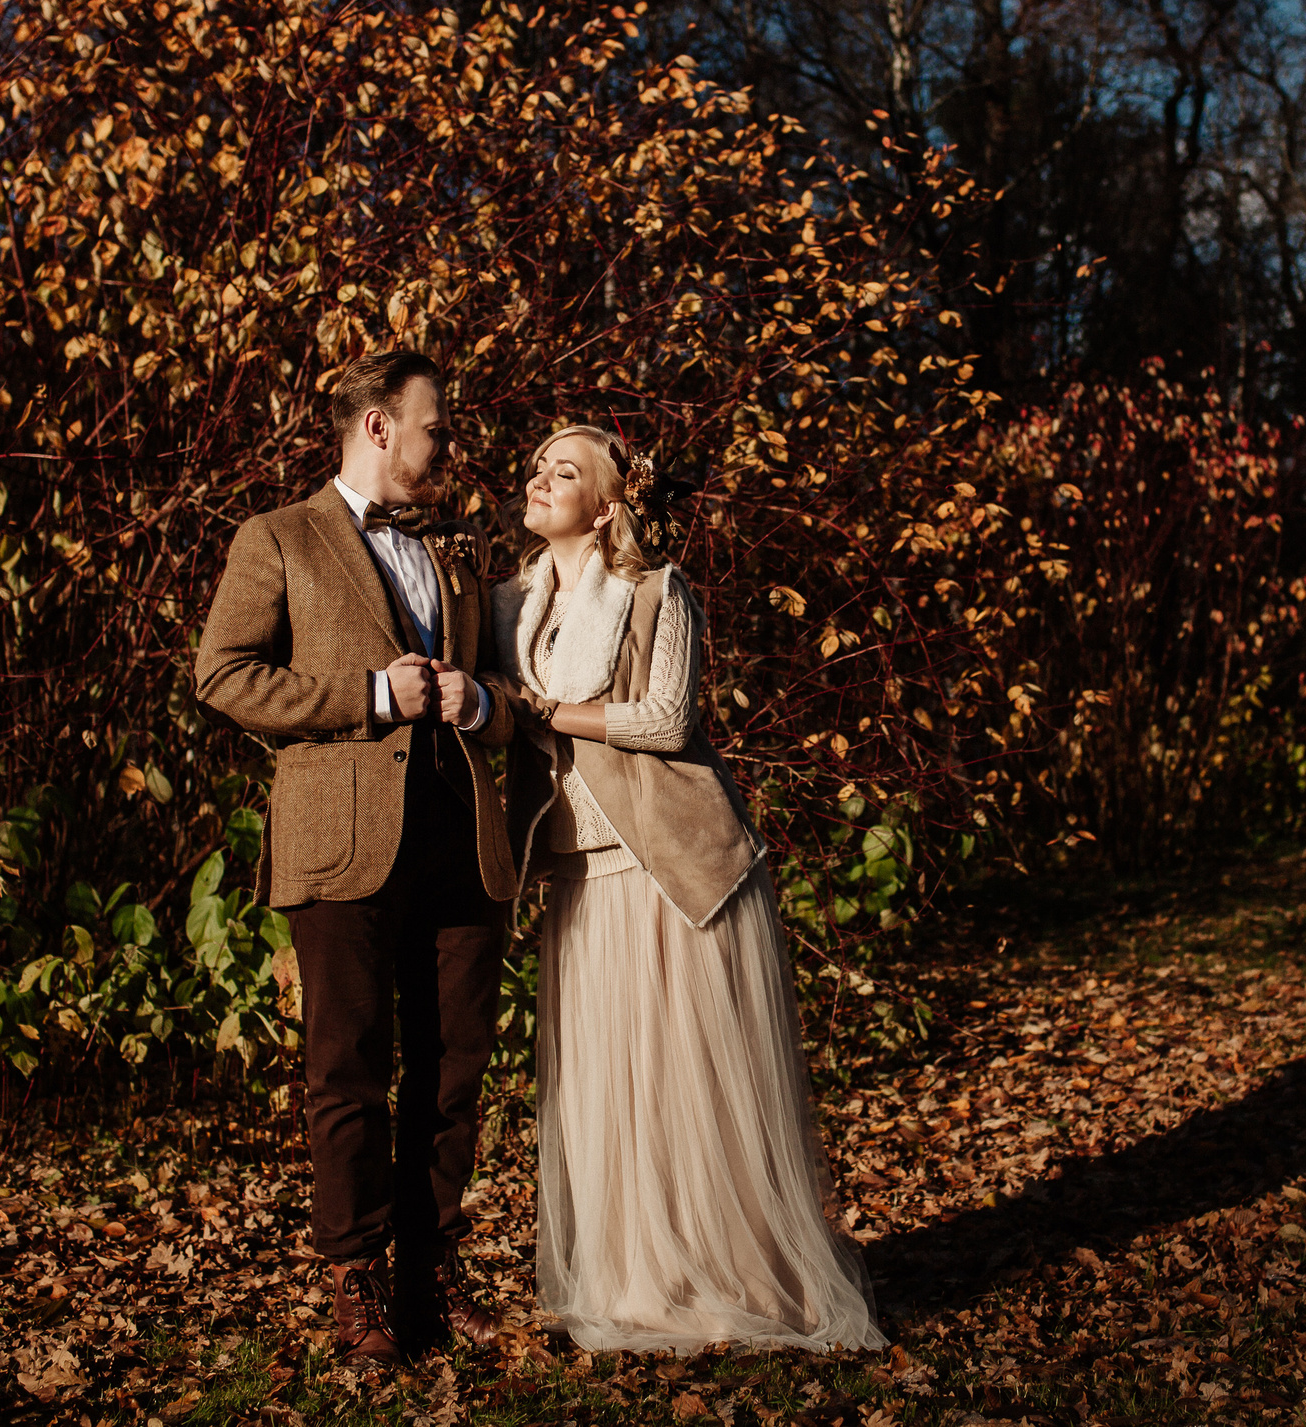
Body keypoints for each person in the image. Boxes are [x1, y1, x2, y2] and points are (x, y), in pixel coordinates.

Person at [485, 424, 885, 1354]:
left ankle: (726, 1275)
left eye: (565, 471)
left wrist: (543, 709)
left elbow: (666, 720)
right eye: (537, 466)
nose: (540, 479)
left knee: (680, 1084)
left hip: (671, 869)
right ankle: (639, 1277)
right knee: (609, 1086)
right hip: (578, 870)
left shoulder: (658, 592)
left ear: (607, 505)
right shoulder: (509, 604)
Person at [192, 350, 519, 1366]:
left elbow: (508, 692)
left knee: (454, 1067)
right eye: (436, 427)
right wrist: (373, 696)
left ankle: (430, 1272)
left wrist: (480, 702)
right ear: (379, 425)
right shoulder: (277, 537)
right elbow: (222, 676)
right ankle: (356, 1279)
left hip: (461, 841)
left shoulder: (456, 550)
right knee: (347, 1069)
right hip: (338, 846)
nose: (448, 444)